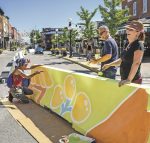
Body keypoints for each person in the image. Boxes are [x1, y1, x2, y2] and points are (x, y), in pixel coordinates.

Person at [102, 20, 145, 87]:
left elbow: (136, 63)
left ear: (138, 33)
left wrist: (128, 79)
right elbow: (121, 60)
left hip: (133, 81)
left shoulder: (138, 44)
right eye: (127, 29)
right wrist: (109, 65)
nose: (127, 31)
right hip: (125, 80)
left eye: (131, 29)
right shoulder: (127, 44)